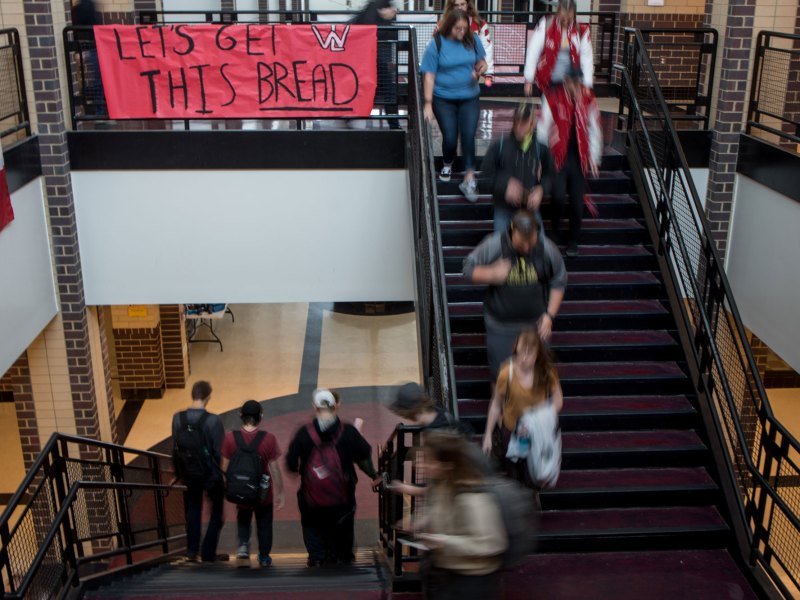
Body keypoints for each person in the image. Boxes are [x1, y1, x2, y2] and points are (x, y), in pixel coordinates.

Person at [523, 0, 601, 257]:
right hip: (552, 84)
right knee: (557, 195)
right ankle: (556, 235)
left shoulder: (581, 32)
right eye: (563, 16)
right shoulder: (547, 25)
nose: (566, 21)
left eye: (570, 17)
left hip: (577, 154)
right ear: (558, 13)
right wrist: (529, 77)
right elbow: (534, 50)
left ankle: (573, 241)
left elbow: (587, 58)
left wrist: (585, 85)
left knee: (575, 201)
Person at [462, 210, 567, 381]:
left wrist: (549, 315)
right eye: (521, 244)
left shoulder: (546, 248)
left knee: (537, 376)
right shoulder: (495, 244)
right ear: (512, 230)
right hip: (500, 325)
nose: (526, 248)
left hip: (535, 325)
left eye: (530, 243)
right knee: (501, 377)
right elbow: (467, 268)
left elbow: (559, 280)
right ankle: (502, 407)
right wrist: (490, 274)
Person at [286, 388, 383, 567]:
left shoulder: (303, 432)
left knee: (311, 524)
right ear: (335, 406)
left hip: (311, 495)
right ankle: (342, 557)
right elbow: (364, 454)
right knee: (343, 524)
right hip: (343, 494)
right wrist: (374, 475)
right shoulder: (348, 431)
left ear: (314, 407)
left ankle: (317, 558)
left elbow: (291, 463)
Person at [414, 431, 507, 600]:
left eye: (428, 460)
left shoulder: (472, 497)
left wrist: (444, 541)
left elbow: (491, 543)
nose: (420, 465)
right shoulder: (441, 485)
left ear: (446, 464)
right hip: (447, 573)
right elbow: (441, 511)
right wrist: (423, 520)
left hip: (471, 581)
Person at [421, 8, 487, 201]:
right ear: (449, 26)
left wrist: (480, 70)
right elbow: (429, 76)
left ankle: (469, 178)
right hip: (443, 99)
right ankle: (448, 163)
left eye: (464, 28)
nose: (461, 32)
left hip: (470, 96)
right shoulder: (437, 44)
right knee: (450, 136)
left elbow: (483, 62)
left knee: (468, 136)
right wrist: (427, 103)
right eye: (458, 28)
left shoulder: (472, 39)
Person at [481, 329, 564, 481]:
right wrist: (487, 434)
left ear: (537, 353)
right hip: (512, 432)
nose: (524, 358)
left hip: (537, 432)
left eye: (529, 354)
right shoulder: (507, 372)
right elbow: (496, 403)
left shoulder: (547, 372)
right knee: (514, 471)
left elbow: (558, 400)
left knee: (536, 471)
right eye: (521, 353)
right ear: (516, 350)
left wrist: (538, 417)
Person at [221, 400, 285, 568]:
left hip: (241, 491)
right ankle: (264, 556)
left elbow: (224, 469)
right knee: (264, 523)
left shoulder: (230, 438)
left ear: (241, 416)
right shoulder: (268, 439)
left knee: (243, 517)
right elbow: (275, 469)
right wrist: (280, 492)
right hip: (263, 493)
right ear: (260, 418)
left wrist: (227, 487)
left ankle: (243, 546)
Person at [171, 380, 227, 563]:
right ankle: (208, 553)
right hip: (210, 473)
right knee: (217, 512)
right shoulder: (213, 420)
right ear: (208, 397)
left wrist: (178, 472)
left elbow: (175, 447)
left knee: (193, 509)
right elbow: (219, 452)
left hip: (188, 472)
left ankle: (191, 551)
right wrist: (224, 475)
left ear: (193, 395)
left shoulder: (178, 418)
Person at [481, 101, 545, 234]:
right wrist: (505, 184)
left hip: (529, 210)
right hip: (503, 209)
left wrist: (541, 189)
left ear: (532, 125)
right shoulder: (499, 146)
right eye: (517, 123)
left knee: (540, 249)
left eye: (524, 124)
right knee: (500, 248)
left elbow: (551, 175)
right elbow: (485, 177)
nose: (519, 128)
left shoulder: (540, 149)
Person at [350, 0, 401, 129]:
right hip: (372, 58)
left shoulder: (378, 6)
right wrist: (386, 18)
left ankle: (393, 123)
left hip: (374, 58)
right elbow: (371, 31)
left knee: (385, 90)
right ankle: (393, 123)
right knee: (386, 91)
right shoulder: (374, 7)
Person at [439, 0, 495, 88]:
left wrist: (488, 73)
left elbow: (486, 48)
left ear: (468, 5)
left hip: (470, 73)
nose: (460, 8)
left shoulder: (479, 24)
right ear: (451, 7)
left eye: (462, 4)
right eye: (456, 5)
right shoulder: (442, 24)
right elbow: (434, 48)